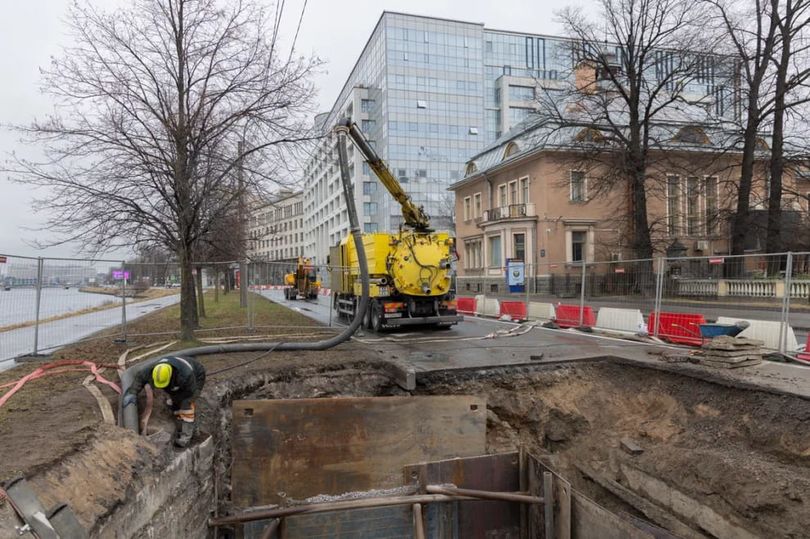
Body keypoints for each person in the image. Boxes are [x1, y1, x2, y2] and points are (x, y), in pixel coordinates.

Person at [122, 356, 206, 448]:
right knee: (175, 401)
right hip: (177, 377)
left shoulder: (185, 375)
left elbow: (189, 394)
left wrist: (182, 404)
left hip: (197, 376)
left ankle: (187, 435)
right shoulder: (150, 370)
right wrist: (132, 393)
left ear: (171, 375)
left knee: (186, 406)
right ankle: (179, 417)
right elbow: (139, 378)